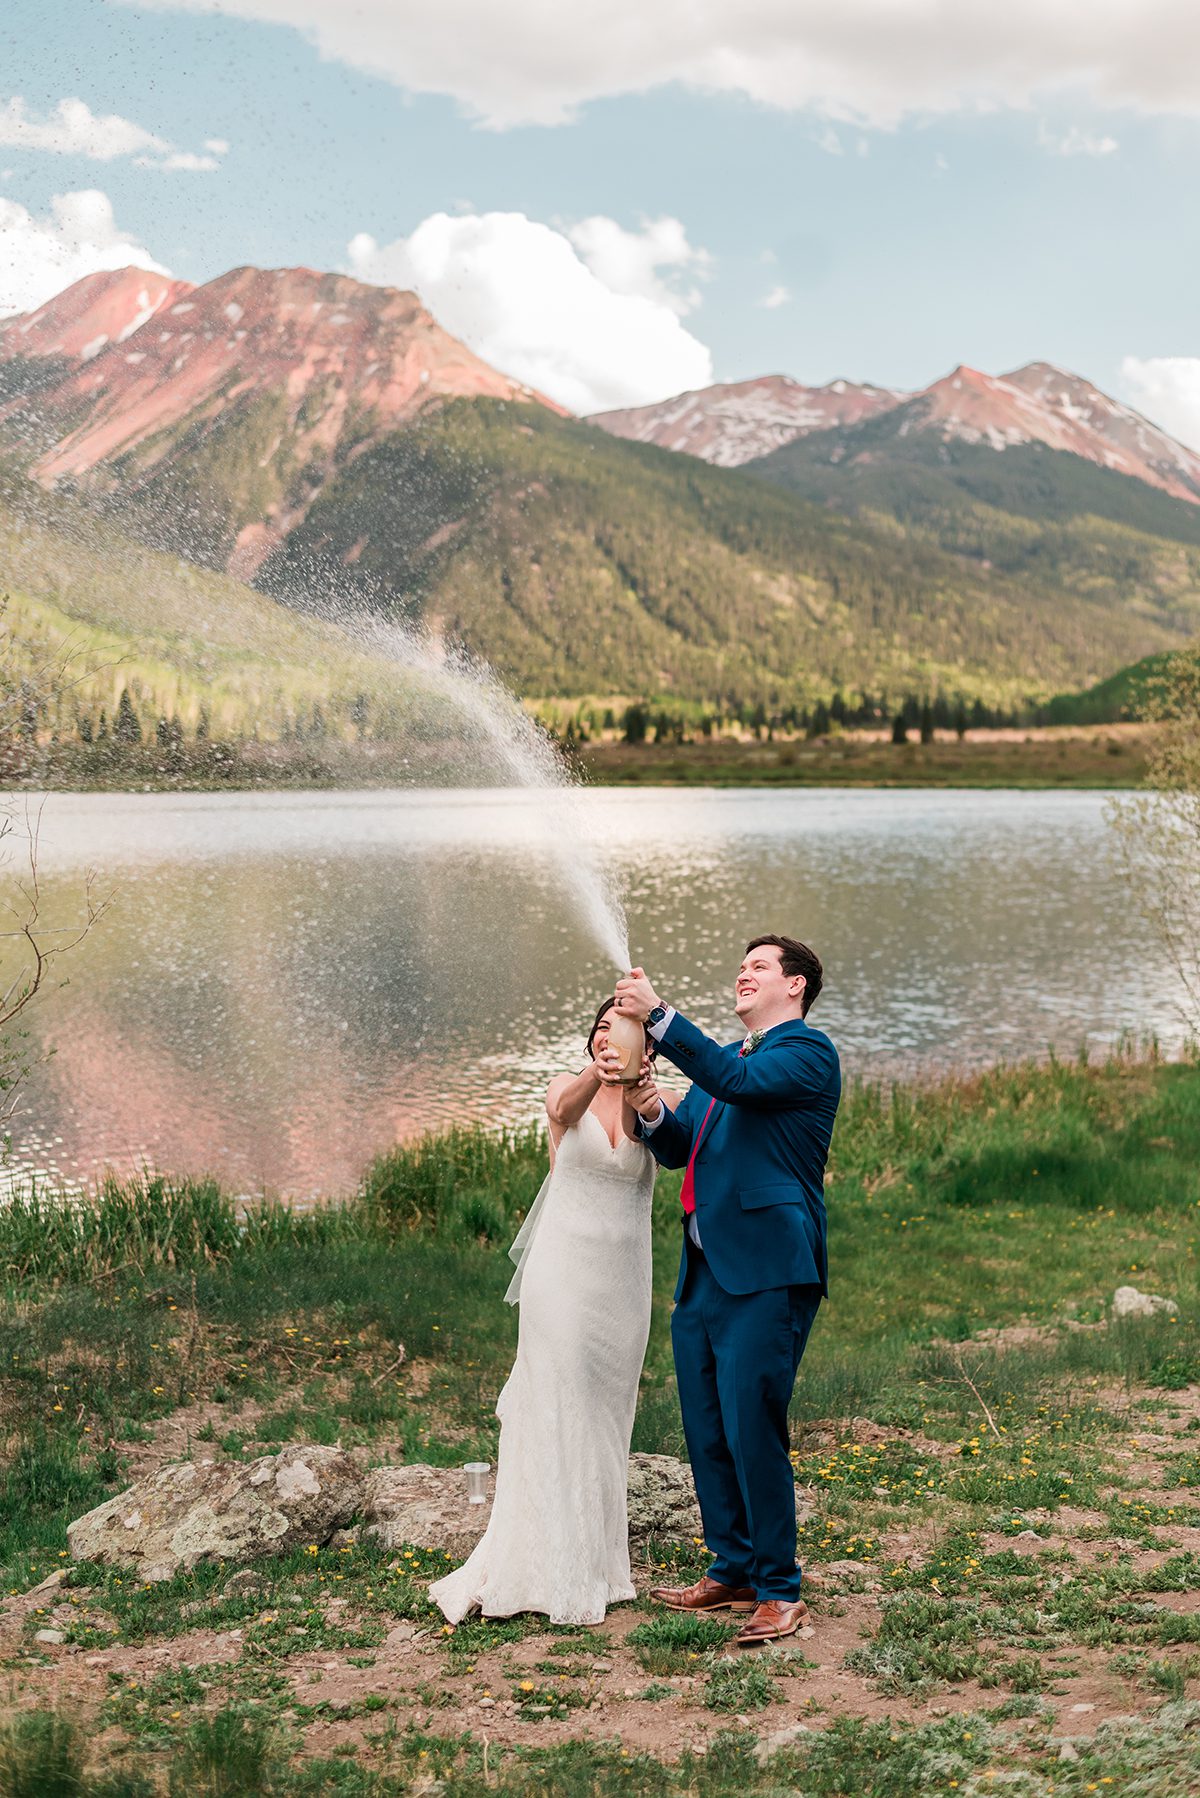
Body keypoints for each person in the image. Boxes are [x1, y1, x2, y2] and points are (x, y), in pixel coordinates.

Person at [615, 934, 840, 1647]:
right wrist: (652, 1108)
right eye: (742, 967)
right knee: (708, 1431)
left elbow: (733, 1087)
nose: (744, 975)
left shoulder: (805, 1054)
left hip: (769, 1272)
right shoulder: (734, 1065)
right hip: (706, 1274)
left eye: (760, 968)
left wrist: (660, 1018)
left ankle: (779, 1589)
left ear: (795, 986)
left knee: (752, 1428)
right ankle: (733, 1566)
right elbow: (687, 1148)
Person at [429, 999, 676, 1626]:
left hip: (622, 1286)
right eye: (599, 1030)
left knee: (605, 1414)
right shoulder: (567, 1088)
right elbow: (564, 1111)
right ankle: (542, 1565)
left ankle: (596, 1565)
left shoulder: (657, 1101)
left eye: (622, 1032)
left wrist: (644, 1090)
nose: (608, 1037)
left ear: (649, 1046)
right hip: (561, 1277)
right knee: (558, 1401)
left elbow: (679, 1145)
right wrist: (600, 1069)